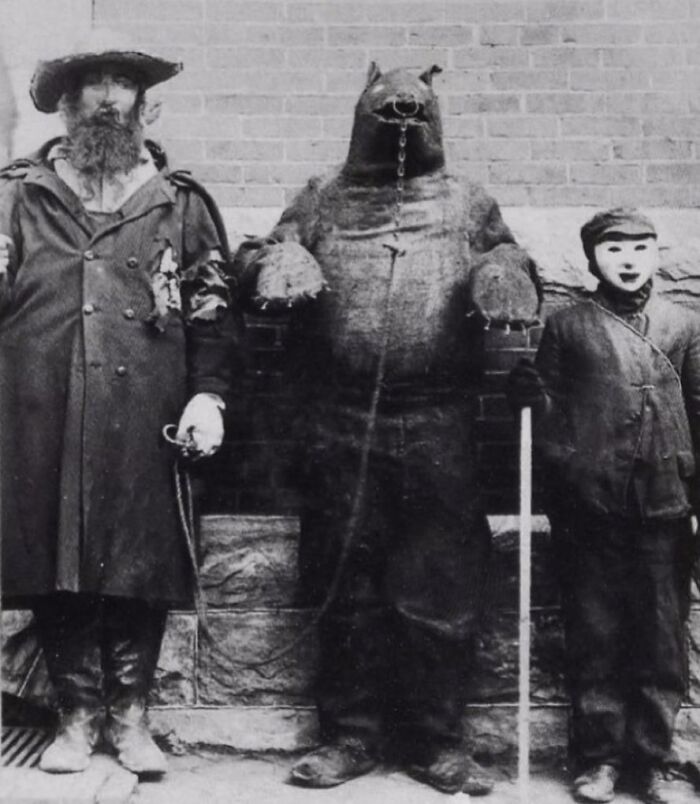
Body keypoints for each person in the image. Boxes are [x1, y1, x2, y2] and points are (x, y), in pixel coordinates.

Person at [234, 63, 539, 795]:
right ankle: (351, 734)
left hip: (439, 421)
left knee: (441, 589)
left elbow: (512, 256)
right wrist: (274, 260)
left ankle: (436, 740)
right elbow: (254, 257)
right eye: (388, 111)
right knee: (347, 584)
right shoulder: (322, 195)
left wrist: (505, 269)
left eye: (414, 112)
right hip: (340, 422)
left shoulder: (466, 200)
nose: (401, 123)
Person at [0, 29, 240, 776]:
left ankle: (132, 718)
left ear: (143, 103)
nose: (108, 97)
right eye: (92, 84)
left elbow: (213, 309)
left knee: (143, 558)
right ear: (66, 104)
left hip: (146, 411)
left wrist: (209, 396)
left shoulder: (179, 202)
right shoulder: (17, 196)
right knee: (55, 557)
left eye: (122, 83)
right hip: (39, 407)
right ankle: (76, 717)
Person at [508, 209, 700, 804]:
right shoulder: (569, 326)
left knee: (661, 638)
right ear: (593, 258)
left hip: (666, 506)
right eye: (614, 249)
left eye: (640, 247)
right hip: (590, 509)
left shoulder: (683, 325)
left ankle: (653, 762)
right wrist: (532, 401)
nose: (628, 259)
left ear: (656, 254)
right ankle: (601, 760)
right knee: (596, 635)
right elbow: (548, 420)